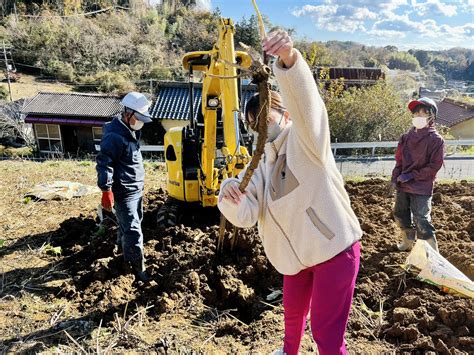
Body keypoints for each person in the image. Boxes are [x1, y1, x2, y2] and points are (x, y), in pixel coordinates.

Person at [217, 30, 362, 355]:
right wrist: (229, 194)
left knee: (326, 335)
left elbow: (309, 105)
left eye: (267, 116)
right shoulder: (257, 165)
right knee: (293, 316)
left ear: (285, 114)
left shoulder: (307, 141)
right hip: (295, 260)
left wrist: (289, 61)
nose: (261, 127)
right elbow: (245, 215)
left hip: (332, 252)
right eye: (255, 122)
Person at [96, 92, 153, 282]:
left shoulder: (130, 130)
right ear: (127, 113)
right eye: (139, 118)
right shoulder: (114, 136)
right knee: (133, 231)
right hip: (125, 192)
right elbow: (104, 163)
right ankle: (136, 268)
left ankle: (122, 250)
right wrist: (106, 190)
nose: (141, 122)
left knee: (130, 225)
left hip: (136, 189)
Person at [391, 97, 444, 252]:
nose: (419, 115)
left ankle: (431, 252)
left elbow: (434, 166)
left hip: (422, 186)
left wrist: (411, 175)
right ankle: (407, 242)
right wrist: (395, 179)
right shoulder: (406, 138)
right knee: (400, 214)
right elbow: (399, 161)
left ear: (432, 116)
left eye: (424, 112)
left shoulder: (436, 140)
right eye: (416, 112)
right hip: (403, 185)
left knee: (421, 219)